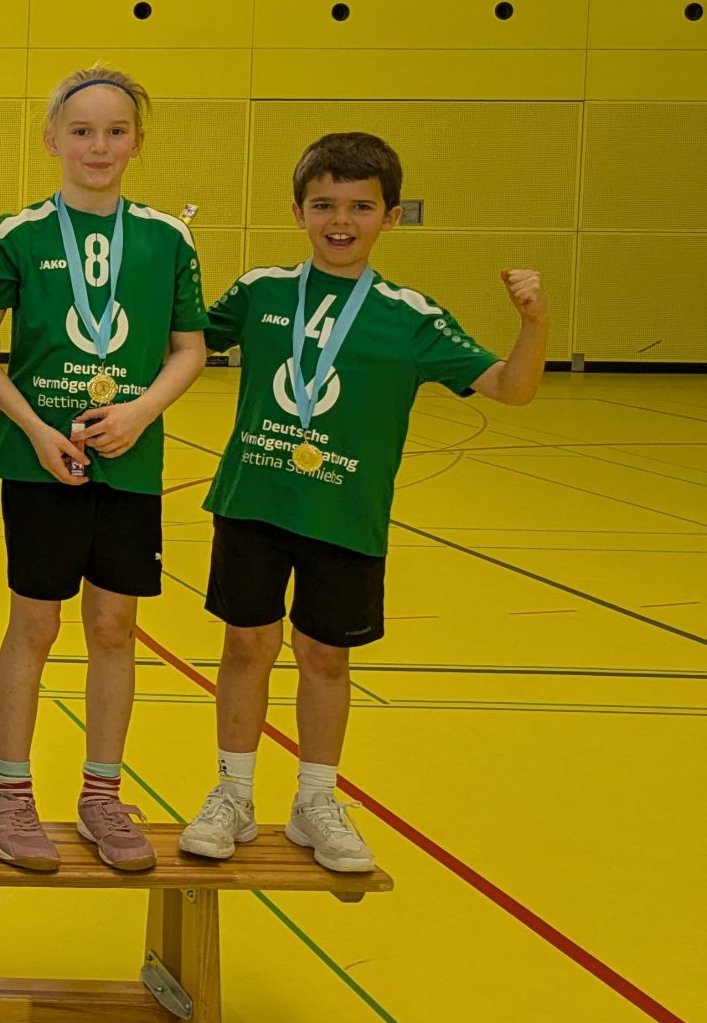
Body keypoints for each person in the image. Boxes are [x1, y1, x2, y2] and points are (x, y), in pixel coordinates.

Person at [179, 133, 547, 873]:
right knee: (247, 646)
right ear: (298, 211)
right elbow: (180, 343)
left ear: (391, 216)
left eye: (359, 207)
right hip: (253, 502)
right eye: (324, 205)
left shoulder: (410, 316)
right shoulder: (261, 291)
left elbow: (512, 388)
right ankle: (233, 795)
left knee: (324, 656)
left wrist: (534, 322)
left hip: (345, 516)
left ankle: (315, 801)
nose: (340, 221)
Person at [0, 70, 207, 874]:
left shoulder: (167, 240)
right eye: (81, 131)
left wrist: (140, 412)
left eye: (114, 131)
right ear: (52, 140)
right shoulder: (17, 235)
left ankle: (103, 794)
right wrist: (34, 429)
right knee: (34, 625)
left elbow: (189, 348)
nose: (98, 146)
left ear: (137, 141)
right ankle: (8, 793)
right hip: (41, 463)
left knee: (113, 627)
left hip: (130, 462)